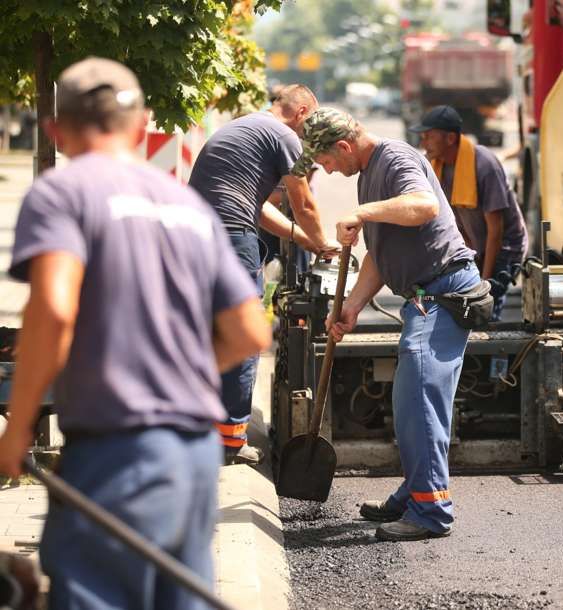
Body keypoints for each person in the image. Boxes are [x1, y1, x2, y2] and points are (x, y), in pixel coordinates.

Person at [0, 57, 270, 609]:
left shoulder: (64, 194)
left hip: (114, 451)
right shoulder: (186, 205)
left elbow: (52, 310)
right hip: (192, 453)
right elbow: (248, 331)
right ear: (143, 123)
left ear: (55, 128)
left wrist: (17, 429)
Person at [293, 107, 480, 542]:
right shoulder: (368, 175)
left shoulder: (394, 159)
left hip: (444, 295)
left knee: (418, 401)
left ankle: (430, 511)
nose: (330, 171)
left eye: (327, 162)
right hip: (424, 299)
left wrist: (366, 212)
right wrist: (353, 307)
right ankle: (416, 489)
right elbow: (380, 253)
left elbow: (424, 206)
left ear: (343, 146)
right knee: (411, 401)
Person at [188, 84, 338, 464]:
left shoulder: (247, 127)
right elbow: (303, 202)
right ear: (302, 112)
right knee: (244, 334)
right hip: (230, 237)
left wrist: (306, 241)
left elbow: (258, 210)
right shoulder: (284, 134)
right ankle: (231, 440)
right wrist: (324, 245)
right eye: (311, 124)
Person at [413, 105, 528, 321]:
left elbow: (496, 230)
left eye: (429, 136)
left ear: (450, 139)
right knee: (463, 310)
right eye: (422, 136)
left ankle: (497, 355)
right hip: (476, 247)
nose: (423, 142)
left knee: (484, 309)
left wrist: (483, 282)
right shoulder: (436, 167)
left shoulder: (484, 164)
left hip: (504, 248)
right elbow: (453, 220)